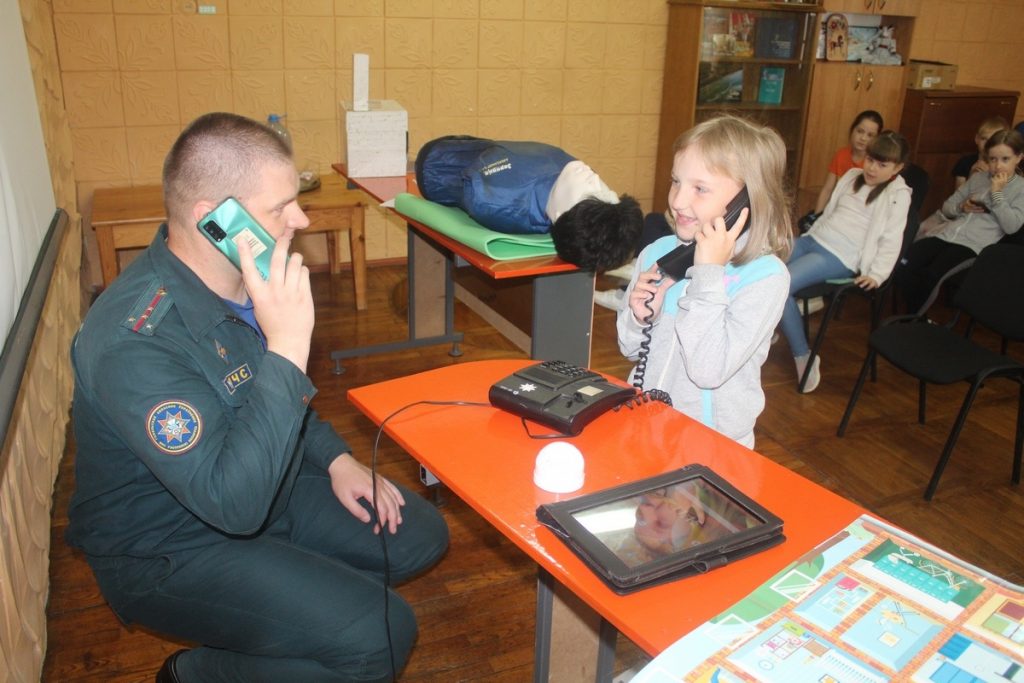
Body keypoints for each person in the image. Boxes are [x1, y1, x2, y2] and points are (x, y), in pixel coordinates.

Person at [65, 112, 449, 682]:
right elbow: (233, 504)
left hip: (266, 483)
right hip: (170, 546)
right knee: (382, 636)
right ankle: (197, 673)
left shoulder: (245, 280)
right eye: (280, 208)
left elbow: (267, 394)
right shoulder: (134, 341)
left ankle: (297, 607)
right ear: (213, 220)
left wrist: (337, 460)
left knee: (418, 535)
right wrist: (289, 344)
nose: (301, 219)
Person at [616, 115, 792, 449]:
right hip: (647, 424)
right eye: (676, 181)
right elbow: (629, 348)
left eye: (700, 189)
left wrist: (707, 275)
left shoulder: (764, 277)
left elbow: (707, 370)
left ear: (746, 202)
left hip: (712, 443)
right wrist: (640, 318)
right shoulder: (659, 253)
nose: (678, 201)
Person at [779, 131, 912, 393]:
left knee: (781, 284)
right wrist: (808, 234)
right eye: (870, 160)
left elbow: (892, 238)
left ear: (897, 168)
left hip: (841, 256)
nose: (872, 168)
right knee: (761, 263)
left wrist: (877, 274)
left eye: (882, 164)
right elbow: (830, 212)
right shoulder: (852, 175)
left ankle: (803, 355)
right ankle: (768, 326)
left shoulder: (898, 194)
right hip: (814, 239)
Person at [415, 135, 643, 271]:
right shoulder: (568, 184)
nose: (594, 179)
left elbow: (481, 176)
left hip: (435, 166)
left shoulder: (494, 196)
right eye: (608, 192)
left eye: (591, 194)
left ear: (562, 216)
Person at [898, 128, 1024, 314]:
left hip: (974, 246)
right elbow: (947, 207)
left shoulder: (1021, 188)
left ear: (1019, 157)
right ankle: (911, 316)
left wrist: (997, 194)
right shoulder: (979, 178)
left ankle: (913, 319)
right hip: (947, 233)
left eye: (1005, 159)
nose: (998, 166)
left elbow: (1012, 227)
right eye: (993, 159)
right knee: (904, 262)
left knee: (932, 275)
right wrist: (961, 207)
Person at [917, 117, 1009, 240]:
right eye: (984, 139)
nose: (987, 145)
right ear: (977, 139)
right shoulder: (966, 162)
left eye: (993, 141)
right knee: (923, 230)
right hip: (958, 211)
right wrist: (972, 177)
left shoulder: (1003, 168)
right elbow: (957, 196)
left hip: (983, 220)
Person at [803, 110, 884, 225]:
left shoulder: (874, 165)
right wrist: (816, 217)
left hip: (858, 217)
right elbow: (827, 189)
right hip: (836, 209)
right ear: (852, 130)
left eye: (870, 135)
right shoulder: (841, 155)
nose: (863, 138)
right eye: (860, 131)